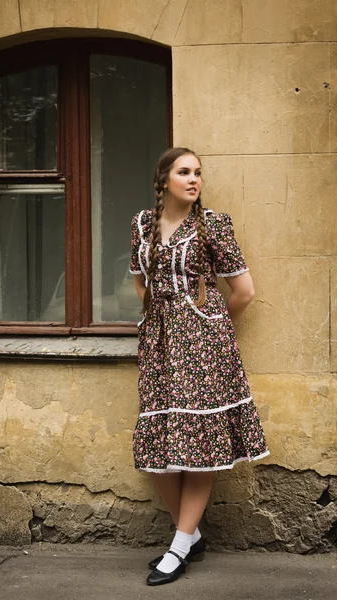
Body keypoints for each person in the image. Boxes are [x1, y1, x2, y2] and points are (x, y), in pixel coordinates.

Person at [129, 147, 269, 586]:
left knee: (202, 445)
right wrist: (159, 319)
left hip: (204, 343)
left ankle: (178, 545)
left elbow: (243, 291)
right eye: (184, 172)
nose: (194, 180)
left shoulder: (213, 227)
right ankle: (191, 537)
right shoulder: (142, 225)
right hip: (159, 344)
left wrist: (207, 324)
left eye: (198, 173)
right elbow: (140, 279)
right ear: (163, 180)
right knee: (158, 451)